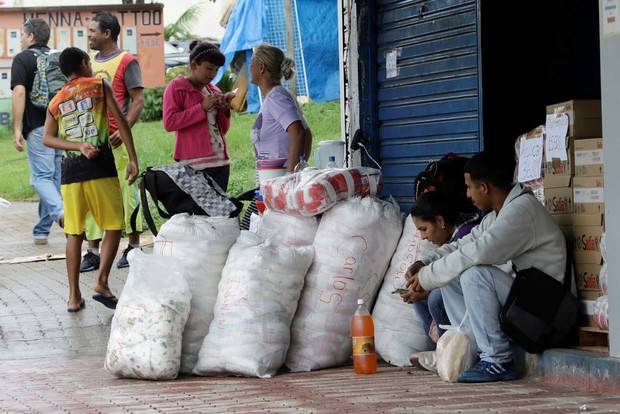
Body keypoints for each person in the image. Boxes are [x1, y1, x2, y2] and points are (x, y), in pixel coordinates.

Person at [404, 151, 566, 383]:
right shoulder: (499, 215)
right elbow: (463, 244)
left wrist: (428, 276)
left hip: (544, 311)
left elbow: (478, 252)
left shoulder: (521, 212)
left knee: (475, 274)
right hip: (524, 300)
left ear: (484, 187)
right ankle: (470, 350)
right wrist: (426, 263)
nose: (467, 194)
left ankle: (497, 360)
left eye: (469, 187)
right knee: (451, 274)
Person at [43, 47, 139, 312]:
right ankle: (102, 281)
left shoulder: (56, 99)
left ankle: (73, 297)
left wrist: (76, 146)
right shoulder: (99, 85)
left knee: (74, 232)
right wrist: (133, 159)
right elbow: (120, 121)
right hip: (100, 169)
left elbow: (47, 139)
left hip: (70, 174)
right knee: (114, 224)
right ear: (85, 63)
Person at [80, 12, 145, 272]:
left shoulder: (127, 61)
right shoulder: (89, 64)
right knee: (94, 193)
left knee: (126, 192)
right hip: (93, 142)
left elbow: (138, 101)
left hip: (117, 143)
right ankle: (93, 251)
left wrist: (124, 128)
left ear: (107, 33)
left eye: (93, 31)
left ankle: (134, 247)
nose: (89, 36)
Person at [401, 191, 480, 344]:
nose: (423, 237)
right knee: (420, 301)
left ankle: (451, 350)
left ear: (440, 221)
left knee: (435, 298)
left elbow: (460, 279)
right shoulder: (452, 239)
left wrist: (426, 292)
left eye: (424, 229)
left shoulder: (467, 234)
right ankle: (442, 346)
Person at [10, 18, 63, 245]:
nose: (20, 38)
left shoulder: (22, 59)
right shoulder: (57, 58)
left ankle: (62, 213)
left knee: (41, 177)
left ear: (31, 36)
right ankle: (41, 230)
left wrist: (17, 128)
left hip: (39, 128)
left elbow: (19, 93)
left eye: (22, 34)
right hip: (62, 126)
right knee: (52, 178)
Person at [163, 41, 232, 191]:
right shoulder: (176, 88)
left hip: (220, 162)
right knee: (199, 212)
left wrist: (225, 111)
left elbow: (223, 129)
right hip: (194, 164)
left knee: (221, 211)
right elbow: (169, 123)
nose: (213, 74)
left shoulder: (213, 90)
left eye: (216, 70)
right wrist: (201, 108)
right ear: (194, 65)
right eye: (208, 69)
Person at [249, 44, 312, 171]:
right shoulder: (278, 95)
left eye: (252, 64)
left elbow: (299, 132)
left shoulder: (276, 97)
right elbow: (307, 133)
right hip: (274, 178)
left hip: (280, 178)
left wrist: (291, 175)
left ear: (261, 68)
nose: (249, 68)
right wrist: (300, 166)